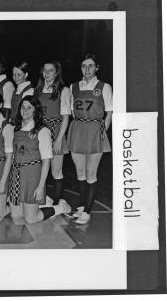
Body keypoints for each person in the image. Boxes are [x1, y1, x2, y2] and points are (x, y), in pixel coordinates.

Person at [8, 95, 71, 222]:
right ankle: (41, 203)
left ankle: (60, 208)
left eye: (29, 107)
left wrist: (40, 186)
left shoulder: (42, 131)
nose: (25, 110)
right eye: (23, 107)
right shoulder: (16, 129)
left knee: (31, 219)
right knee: (16, 215)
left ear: (35, 110)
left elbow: (46, 161)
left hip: (32, 175)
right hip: (17, 174)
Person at [67, 54, 112, 224]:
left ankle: (87, 211)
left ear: (97, 68)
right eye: (84, 66)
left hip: (95, 131)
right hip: (78, 129)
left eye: (91, 66)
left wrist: (101, 132)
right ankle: (82, 205)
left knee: (91, 174)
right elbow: (72, 111)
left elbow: (109, 113)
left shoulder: (104, 86)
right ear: (80, 68)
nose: (87, 69)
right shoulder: (73, 87)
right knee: (80, 172)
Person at [35, 60, 71, 206]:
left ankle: (57, 203)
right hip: (40, 132)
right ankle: (40, 199)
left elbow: (66, 118)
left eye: (51, 70)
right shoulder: (36, 90)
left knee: (56, 171)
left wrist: (58, 140)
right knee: (39, 169)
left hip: (56, 132)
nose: (47, 73)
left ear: (56, 73)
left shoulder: (63, 90)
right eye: (45, 70)